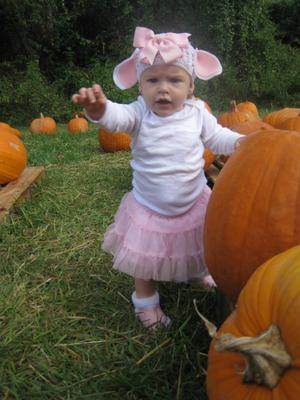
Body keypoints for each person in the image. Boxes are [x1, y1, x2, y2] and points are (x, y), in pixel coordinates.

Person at [72, 27, 243, 329]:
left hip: (192, 199)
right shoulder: (139, 113)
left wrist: (240, 142)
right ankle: (145, 302)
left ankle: (197, 272)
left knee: (197, 241)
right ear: (140, 86)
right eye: (152, 80)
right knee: (146, 259)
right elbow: (117, 118)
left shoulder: (197, 113)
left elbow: (218, 136)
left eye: (174, 80)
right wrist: (99, 109)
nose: (163, 89)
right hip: (150, 206)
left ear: (191, 87)